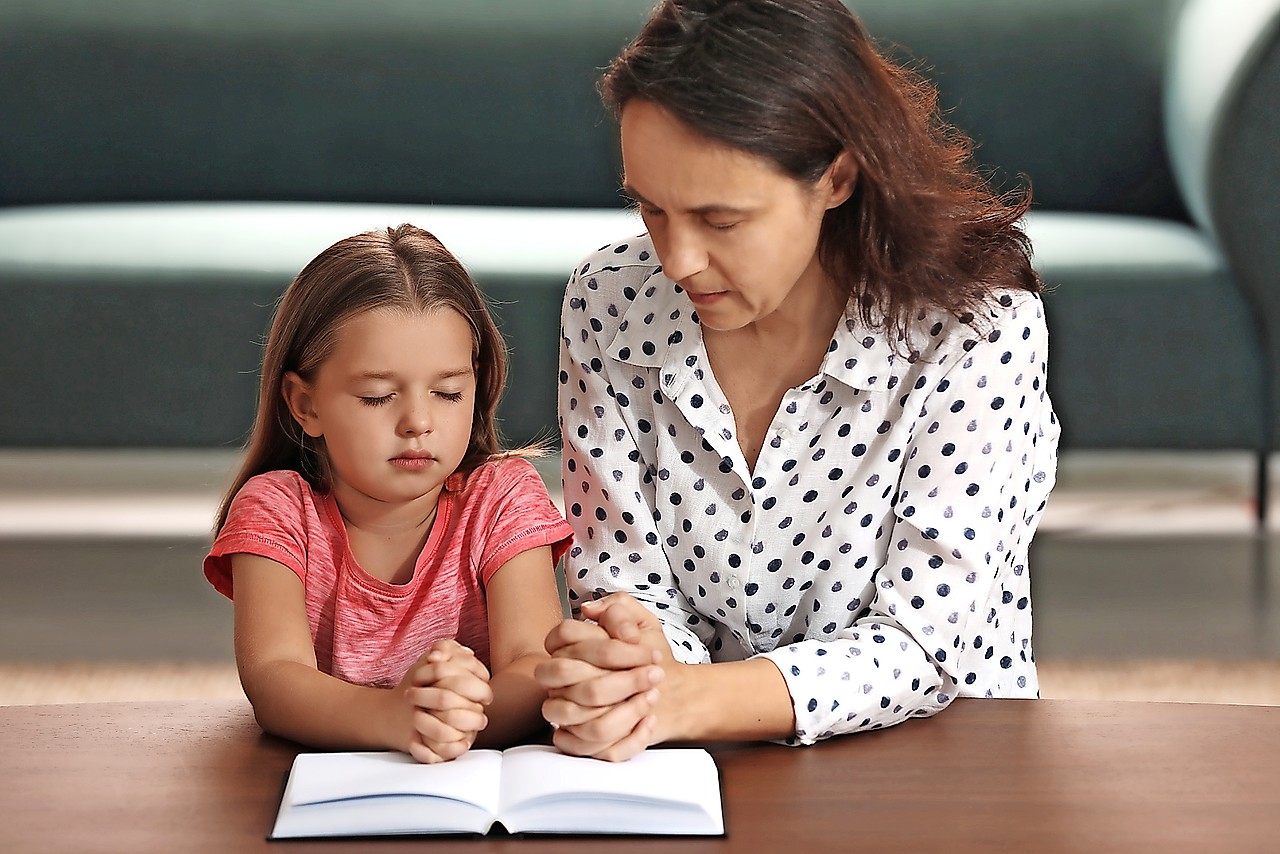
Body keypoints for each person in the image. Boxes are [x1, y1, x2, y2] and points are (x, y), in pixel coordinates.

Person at [536, 0, 1060, 760]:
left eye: (721, 219)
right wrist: (630, 668)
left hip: (940, 762)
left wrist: (682, 699)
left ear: (838, 177)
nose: (677, 259)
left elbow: (923, 642)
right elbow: (621, 578)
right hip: (697, 764)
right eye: (649, 207)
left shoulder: (976, 331)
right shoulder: (609, 298)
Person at [205, 224, 572, 763]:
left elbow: (533, 663)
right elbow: (275, 680)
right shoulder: (276, 509)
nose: (418, 422)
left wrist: (453, 720)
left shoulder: (502, 495)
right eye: (377, 397)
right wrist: (394, 718)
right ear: (305, 405)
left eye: (448, 393)